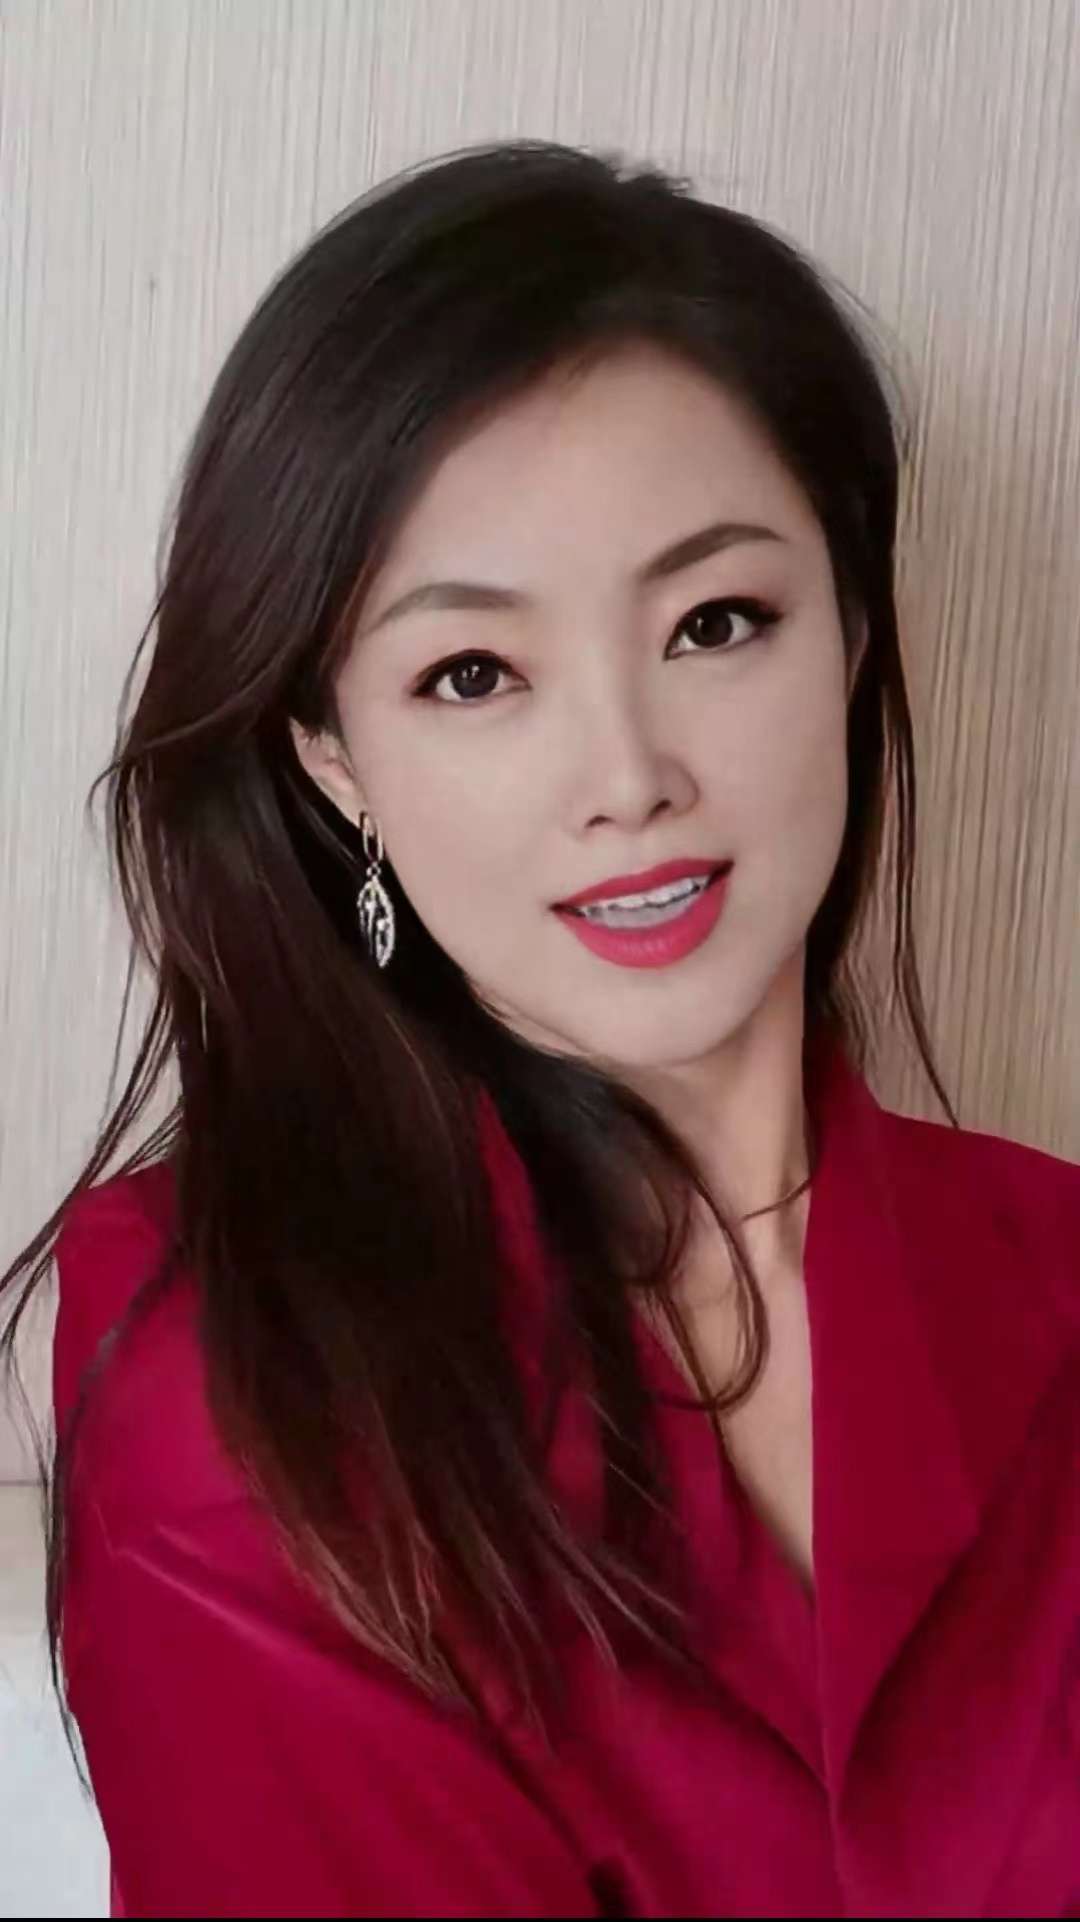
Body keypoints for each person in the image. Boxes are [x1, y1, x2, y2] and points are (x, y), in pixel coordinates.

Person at [2, 138, 1078, 1920]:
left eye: (716, 621)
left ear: (848, 633)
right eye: (474, 673)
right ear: (331, 753)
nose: (630, 776)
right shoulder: (249, 1377)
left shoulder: (1050, 1257)